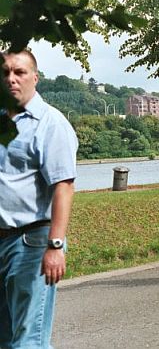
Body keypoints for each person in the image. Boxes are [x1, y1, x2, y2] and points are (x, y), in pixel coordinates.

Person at [1, 50, 78, 347]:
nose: (11, 79)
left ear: (35, 77)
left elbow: (64, 186)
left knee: (27, 339)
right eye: (5, 72)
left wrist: (55, 246)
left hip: (30, 243)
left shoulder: (50, 123)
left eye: (19, 72)